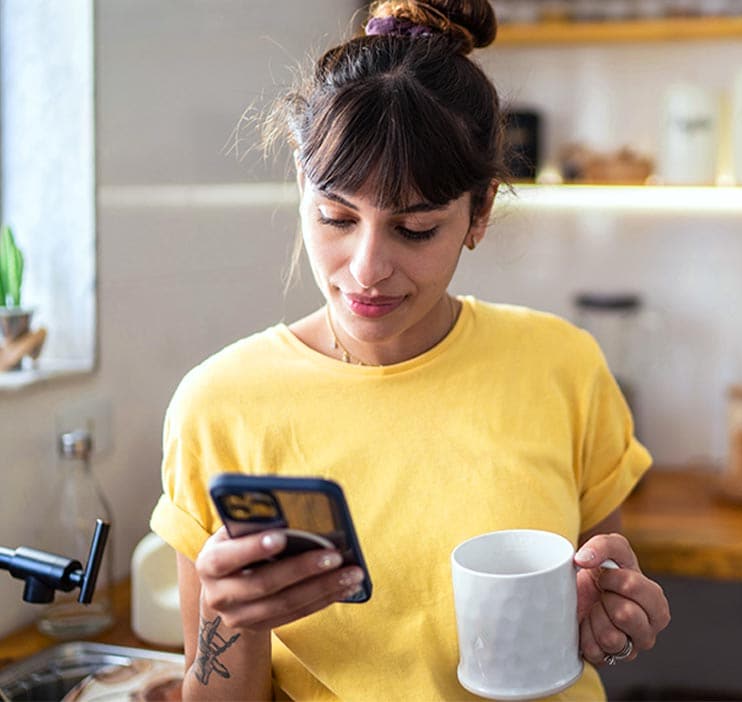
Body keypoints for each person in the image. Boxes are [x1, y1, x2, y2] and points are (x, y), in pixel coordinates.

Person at [149, 0, 671, 699]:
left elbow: (589, 602)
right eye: (336, 217)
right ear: (302, 187)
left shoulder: (562, 365)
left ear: (479, 213)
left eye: (416, 229)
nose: (366, 268)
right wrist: (229, 617)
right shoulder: (219, 404)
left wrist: (611, 613)